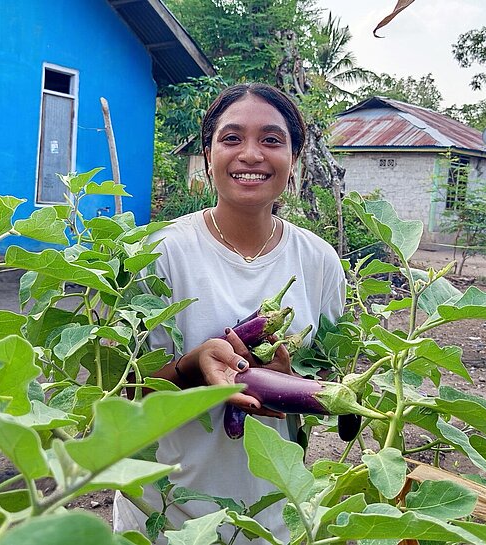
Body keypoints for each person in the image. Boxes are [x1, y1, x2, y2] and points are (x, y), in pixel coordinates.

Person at [113, 83, 346, 544]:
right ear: (208, 154)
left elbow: (335, 384)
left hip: (275, 516)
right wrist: (190, 370)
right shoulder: (155, 252)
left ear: (294, 159)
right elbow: (117, 395)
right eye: (232, 138)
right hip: (162, 515)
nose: (251, 155)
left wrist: (292, 380)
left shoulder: (319, 261)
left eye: (272, 140)